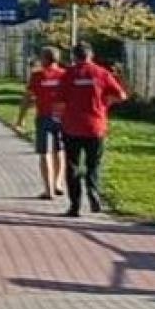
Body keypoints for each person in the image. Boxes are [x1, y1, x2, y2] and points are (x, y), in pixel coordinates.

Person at [57, 42, 129, 218]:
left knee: (72, 166)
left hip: (72, 126)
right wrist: (105, 104)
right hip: (96, 126)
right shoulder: (102, 73)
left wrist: (59, 116)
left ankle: (75, 206)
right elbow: (122, 95)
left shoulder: (69, 74)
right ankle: (93, 192)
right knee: (93, 165)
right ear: (91, 55)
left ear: (74, 56)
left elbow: (60, 100)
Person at [14, 46, 67, 200]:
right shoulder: (65, 75)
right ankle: (58, 183)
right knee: (60, 151)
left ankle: (48, 190)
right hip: (63, 118)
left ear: (44, 59)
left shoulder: (37, 76)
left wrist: (21, 118)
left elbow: (28, 98)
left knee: (45, 153)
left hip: (44, 117)